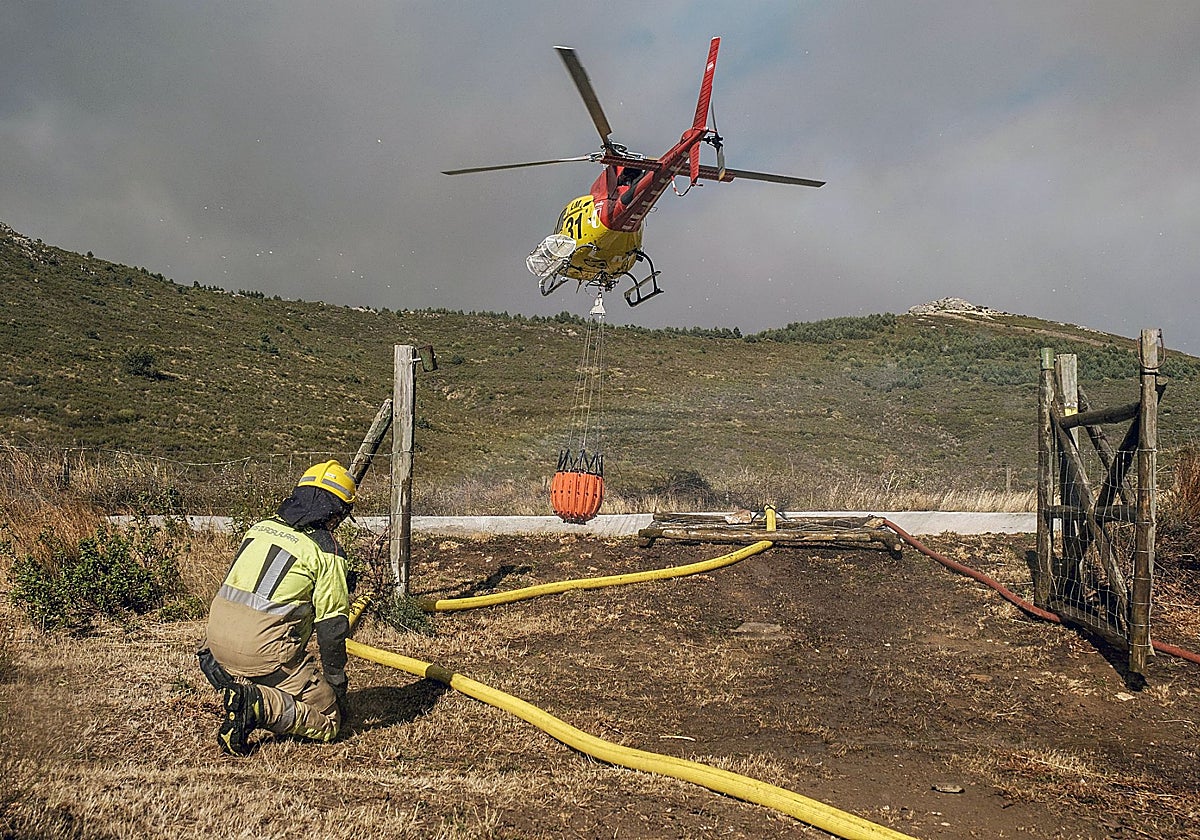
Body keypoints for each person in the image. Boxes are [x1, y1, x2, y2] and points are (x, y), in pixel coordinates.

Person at [196, 460, 357, 756]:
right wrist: (336, 686)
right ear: (336, 512)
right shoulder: (327, 551)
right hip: (264, 653)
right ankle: (256, 705)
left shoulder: (260, 528)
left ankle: (242, 688)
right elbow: (331, 629)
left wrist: (208, 651)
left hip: (214, 647)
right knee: (329, 721)